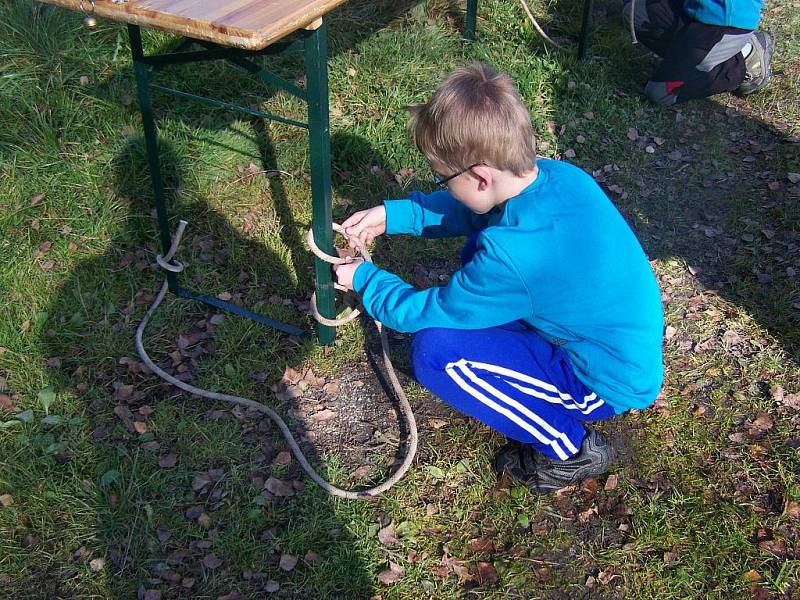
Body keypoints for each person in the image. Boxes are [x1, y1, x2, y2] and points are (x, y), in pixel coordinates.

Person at [333, 62, 664, 493]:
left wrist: (366, 280)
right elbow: (474, 208)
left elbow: (423, 313)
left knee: (438, 353)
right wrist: (397, 214)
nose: (443, 185)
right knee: (480, 247)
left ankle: (569, 447)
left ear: (480, 175)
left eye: (442, 177)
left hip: (602, 380)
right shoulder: (559, 176)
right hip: (608, 341)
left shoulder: (512, 254)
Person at [622, 0, 773, 105]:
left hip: (723, 22)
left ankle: (743, 58)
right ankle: (696, 53)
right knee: (636, 13)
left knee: (661, 92)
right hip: (696, 8)